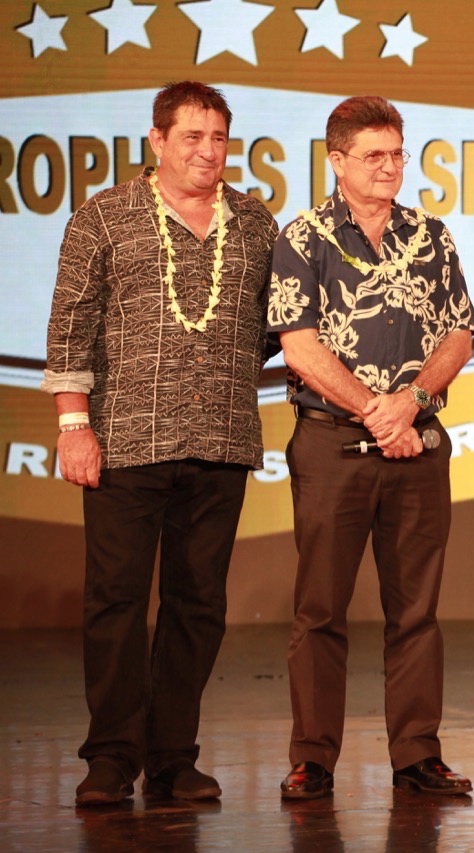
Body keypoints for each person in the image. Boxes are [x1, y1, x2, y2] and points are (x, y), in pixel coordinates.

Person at [42, 82, 278, 807]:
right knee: (115, 600)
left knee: (198, 604)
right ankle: (112, 757)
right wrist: (74, 426)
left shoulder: (256, 223)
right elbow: (70, 326)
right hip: (125, 441)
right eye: (192, 137)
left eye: (218, 138)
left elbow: (275, 328)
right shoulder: (104, 216)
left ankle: (174, 756)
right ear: (157, 140)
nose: (208, 151)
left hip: (222, 439)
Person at [269, 96, 474, 799]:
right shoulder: (304, 238)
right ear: (337, 161)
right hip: (332, 445)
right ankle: (313, 758)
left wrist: (410, 403)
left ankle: (418, 754)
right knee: (320, 609)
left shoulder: (432, 235)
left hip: (418, 445)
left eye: (397, 154)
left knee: (416, 611)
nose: (390, 167)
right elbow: (300, 346)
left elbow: (459, 335)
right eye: (373, 156)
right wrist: (375, 412)